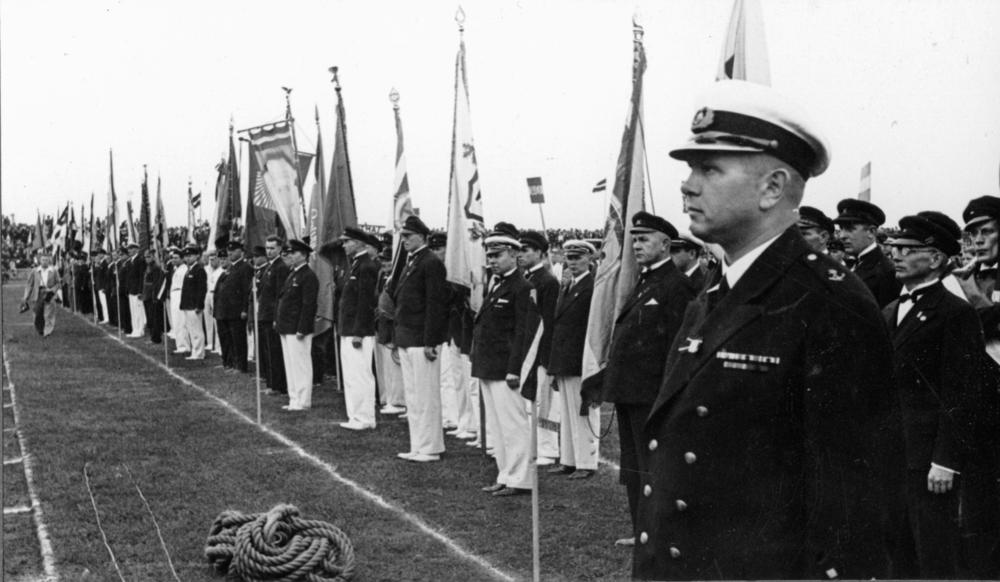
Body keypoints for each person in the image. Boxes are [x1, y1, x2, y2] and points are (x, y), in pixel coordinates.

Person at [634, 80, 903, 580]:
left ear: (773, 188)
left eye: (709, 169)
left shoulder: (830, 301)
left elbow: (853, 507)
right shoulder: (716, 291)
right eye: (690, 169)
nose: (687, 185)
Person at [882, 213, 997, 577]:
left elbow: (961, 393)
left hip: (929, 460)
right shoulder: (891, 310)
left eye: (907, 249)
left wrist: (946, 460)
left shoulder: (954, 312)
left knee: (934, 555)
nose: (896, 254)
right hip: (893, 454)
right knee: (897, 554)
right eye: (894, 247)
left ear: (934, 258)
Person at [591, 211, 696, 546]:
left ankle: (658, 533)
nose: (636, 245)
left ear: (665, 244)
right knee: (634, 466)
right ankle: (642, 531)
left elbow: (677, 347)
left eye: (644, 239)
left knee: (653, 465)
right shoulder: (645, 280)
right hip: (630, 391)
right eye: (634, 239)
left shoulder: (675, 286)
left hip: (651, 394)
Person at [472, 223, 541, 496]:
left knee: (513, 426)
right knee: (498, 428)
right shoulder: (497, 284)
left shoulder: (522, 287)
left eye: (497, 255)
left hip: (505, 368)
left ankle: (521, 478)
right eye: (489, 255)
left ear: (513, 254)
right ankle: (505, 474)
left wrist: (515, 369)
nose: (492, 260)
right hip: (489, 365)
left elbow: (524, 332)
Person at [392, 216, 449, 462]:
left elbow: (435, 304)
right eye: (403, 236)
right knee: (413, 397)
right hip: (408, 336)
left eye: (408, 236)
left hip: (421, 338)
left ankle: (430, 447)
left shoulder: (430, 262)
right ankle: (418, 444)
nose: (404, 240)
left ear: (423, 237)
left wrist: (430, 341)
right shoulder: (413, 261)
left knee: (426, 396)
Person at [546, 240, 599, 480]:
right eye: (570, 258)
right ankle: (568, 460)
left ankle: (586, 462)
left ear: (589, 258)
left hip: (580, 359)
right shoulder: (568, 285)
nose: (573, 262)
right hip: (564, 358)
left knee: (583, 412)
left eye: (578, 257)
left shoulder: (592, 287)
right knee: (567, 415)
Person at [518, 230, 561, 466]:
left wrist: (547, 356)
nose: (521, 254)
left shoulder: (548, 281)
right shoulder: (527, 279)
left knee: (545, 403)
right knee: (530, 401)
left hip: (542, 351)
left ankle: (549, 448)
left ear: (540, 253)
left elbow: (549, 322)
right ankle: (535, 445)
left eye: (526, 250)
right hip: (528, 349)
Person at [337, 227, 381, 430]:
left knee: (361, 374)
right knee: (351, 375)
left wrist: (359, 332)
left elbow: (365, 302)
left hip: (358, 330)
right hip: (348, 327)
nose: (344, 245)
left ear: (358, 242)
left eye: (347, 241)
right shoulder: (356, 264)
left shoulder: (366, 266)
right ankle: (354, 415)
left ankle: (365, 417)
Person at [275, 239, 319, 411]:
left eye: (294, 253)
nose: (290, 256)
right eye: (290, 253)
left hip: (297, 327)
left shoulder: (308, 276)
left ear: (304, 255)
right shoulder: (293, 274)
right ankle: (294, 398)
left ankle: (303, 400)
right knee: (291, 365)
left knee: (300, 365)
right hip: (287, 326)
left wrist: (303, 328)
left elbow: (309, 305)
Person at [834, 198, 901, 307]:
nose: (842, 236)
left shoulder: (887, 272)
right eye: (841, 229)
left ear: (871, 232)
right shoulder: (853, 264)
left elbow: (886, 314)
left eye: (850, 229)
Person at [257, 236, 289, 395]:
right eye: (267, 248)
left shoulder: (281, 267)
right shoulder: (270, 266)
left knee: (274, 352)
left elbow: (279, 295)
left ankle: (278, 385)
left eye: (272, 248)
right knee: (267, 350)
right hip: (264, 314)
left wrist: (277, 317)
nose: (269, 251)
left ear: (280, 249)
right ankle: (271, 382)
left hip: (272, 316)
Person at [216, 241, 253, 372]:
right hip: (225, 310)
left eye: (233, 250)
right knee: (228, 339)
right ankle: (229, 363)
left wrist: (245, 309)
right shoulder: (231, 267)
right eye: (229, 250)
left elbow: (246, 290)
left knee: (238, 340)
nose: (230, 253)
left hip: (236, 311)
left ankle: (240, 365)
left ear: (240, 251)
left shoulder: (245, 267)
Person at [22, 252, 62, 336]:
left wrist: (52, 290)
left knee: (48, 314)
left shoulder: (53, 271)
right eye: (43, 260)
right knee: (37, 314)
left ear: (49, 261)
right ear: (40, 260)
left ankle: (47, 331)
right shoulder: (35, 271)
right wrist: (26, 297)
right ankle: (40, 329)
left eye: (46, 260)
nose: (44, 262)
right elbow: (29, 284)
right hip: (38, 293)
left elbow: (58, 283)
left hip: (49, 294)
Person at [178, 245, 207, 360]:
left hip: (194, 305)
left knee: (196, 331)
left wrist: (199, 305)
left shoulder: (199, 270)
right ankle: (195, 351)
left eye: (190, 256)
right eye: (186, 256)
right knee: (191, 329)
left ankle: (199, 352)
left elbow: (201, 289)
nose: (188, 258)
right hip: (187, 304)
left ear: (197, 256)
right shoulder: (189, 269)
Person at [141, 249, 166, 344]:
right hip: (147, 295)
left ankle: (156, 338)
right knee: (150, 318)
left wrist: (154, 296)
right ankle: (152, 336)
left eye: (149, 257)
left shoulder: (155, 267)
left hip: (152, 296)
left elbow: (156, 283)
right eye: (145, 257)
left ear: (153, 257)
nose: (147, 259)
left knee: (154, 318)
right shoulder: (148, 267)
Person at [124, 242, 147, 338]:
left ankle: (140, 330)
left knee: (138, 311)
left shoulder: (140, 260)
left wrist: (140, 290)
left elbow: (141, 276)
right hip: (131, 289)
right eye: (128, 249)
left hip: (137, 290)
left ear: (136, 249)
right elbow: (128, 277)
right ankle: (135, 329)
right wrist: (127, 288)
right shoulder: (129, 262)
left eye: (131, 248)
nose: (129, 250)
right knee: (133, 311)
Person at [205, 250, 225, 354]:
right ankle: (211, 343)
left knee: (218, 321)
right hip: (209, 293)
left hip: (216, 294)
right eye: (210, 260)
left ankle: (219, 346)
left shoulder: (221, 271)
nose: (211, 262)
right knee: (209, 320)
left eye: (213, 259)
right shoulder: (209, 270)